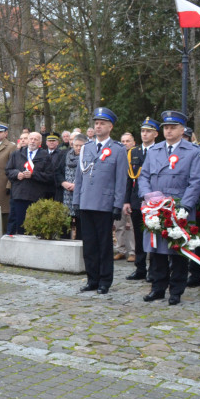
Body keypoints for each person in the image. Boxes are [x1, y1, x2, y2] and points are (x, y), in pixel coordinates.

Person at [137, 111, 200, 305]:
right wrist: (148, 197)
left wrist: (186, 205)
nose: (168, 131)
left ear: (182, 129)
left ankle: (176, 291)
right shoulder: (155, 150)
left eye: (173, 127)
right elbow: (144, 177)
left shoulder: (192, 152)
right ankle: (158, 288)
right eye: (166, 127)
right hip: (156, 206)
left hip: (179, 207)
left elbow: (196, 181)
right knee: (156, 250)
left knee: (177, 251)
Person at [72, 108, 128, 294]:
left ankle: (105, 280)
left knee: (104, 245)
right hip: (86, 202)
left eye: (102, 123)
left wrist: (117, 204)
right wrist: (76, 201)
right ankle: (92, 279)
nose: (98, 126)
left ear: (110, 127)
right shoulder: (86, 147)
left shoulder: (118, 150)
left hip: (104, 205)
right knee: (89, 244)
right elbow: (79, 177)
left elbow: (121, 180)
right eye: (96, 123)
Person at [125, 119, 157, 281]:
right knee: (138, 236)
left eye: (149, 131)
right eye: (143, 131)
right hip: (137, 199)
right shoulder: (134, 152)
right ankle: (140, 268)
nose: (145, 134)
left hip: (155, 199)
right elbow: (129, 179)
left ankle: (154, 269)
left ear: (155, 134)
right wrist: (126, 201)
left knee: (154, 235)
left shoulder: (159, 150)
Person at [5, 131, 53, 235]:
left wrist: (33, 174)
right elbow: (8, 170)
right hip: (19, 194)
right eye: (31, 139)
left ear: (40, 142)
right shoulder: (17, 154)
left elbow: (50, 176)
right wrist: (17, 174)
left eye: (36, 139)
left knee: (34, 227)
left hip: (36, 196)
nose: (32, 141)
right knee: (19, 224)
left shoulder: (45, 156)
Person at [114, 132, 137, 261]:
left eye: (128, 141)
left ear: (133, 143)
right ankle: (120, 249)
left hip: (132, 195)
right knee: (119, 225)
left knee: (132, 225)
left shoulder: (136, 155)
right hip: (119, 195)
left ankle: (133, 251)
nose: (125, 144)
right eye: (122, 141)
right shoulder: (117, 155)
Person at [62, 134, 87, 238]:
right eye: (76, 145)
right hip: (66, 194)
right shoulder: (65, 155)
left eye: (81, 146)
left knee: (81, 225)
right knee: (65, 225)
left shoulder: (89, 157)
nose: (78, 148)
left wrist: (77, 185)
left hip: (82, 194)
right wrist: (63, 183)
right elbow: (58, 171)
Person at [45, 132, 66, 201]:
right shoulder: (42, 153)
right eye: (49, 141)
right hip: (44, 185)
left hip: (56, 185)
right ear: (46, 142)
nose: (51, 142)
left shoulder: (62, 153)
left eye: (53, 141)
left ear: (57, 142)